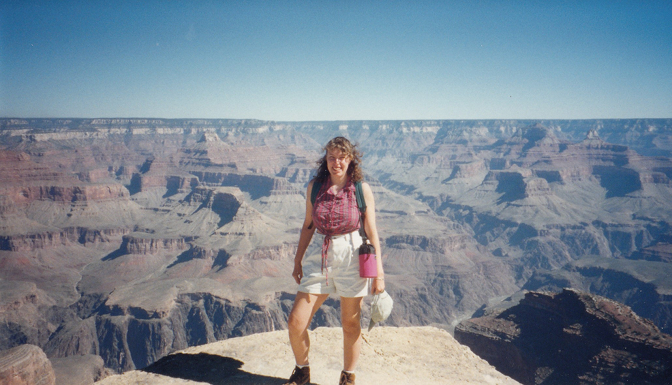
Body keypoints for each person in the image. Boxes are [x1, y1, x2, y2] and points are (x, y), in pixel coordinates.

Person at [283, 137, 385, 385]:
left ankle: (348, 377)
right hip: (322, 256)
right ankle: (302, 371)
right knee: (297, 322)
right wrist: (297, 261)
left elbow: (371, 230)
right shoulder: (315, 187)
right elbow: (308, 225)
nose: (336, 162)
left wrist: (379, 273)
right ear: (325, 159)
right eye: (331, 157)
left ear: (351, 160)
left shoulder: (361, 189)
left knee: (350, 324)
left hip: (352, 255)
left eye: (342, 157)